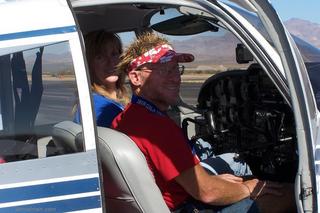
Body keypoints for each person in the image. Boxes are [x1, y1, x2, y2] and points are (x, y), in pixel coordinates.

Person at [112, 32, 294, 212]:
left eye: (176, 69)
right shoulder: (155, 127)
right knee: (290, 193)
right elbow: (207, 192)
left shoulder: (127, 117)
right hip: (185, 207)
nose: (176, 78)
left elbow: (193, 182)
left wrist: (216, 181)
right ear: (136, 77)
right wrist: (249, 188)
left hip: (175, 198)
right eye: (164, 70)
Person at [74, 30, 130, 127]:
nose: (110, 62)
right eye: (100, 57)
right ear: (89, 65)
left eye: (114, 54)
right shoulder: (101, 107)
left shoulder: (97, 100)